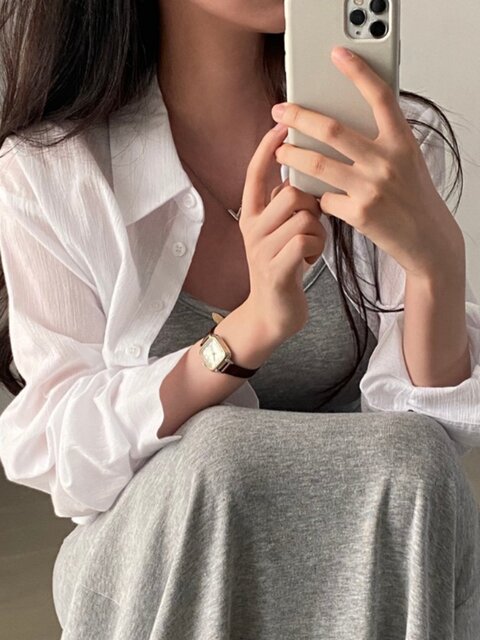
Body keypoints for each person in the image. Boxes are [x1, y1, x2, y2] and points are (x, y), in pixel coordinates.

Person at [0, 1, 479, 638]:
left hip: (360, 555)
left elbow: (429, 447)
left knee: (414, 457)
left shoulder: (386, 146)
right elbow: (58, 451)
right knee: (220, 457)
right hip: (165, 552)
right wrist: (246, 333)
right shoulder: (56, 169)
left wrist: (437, 265)